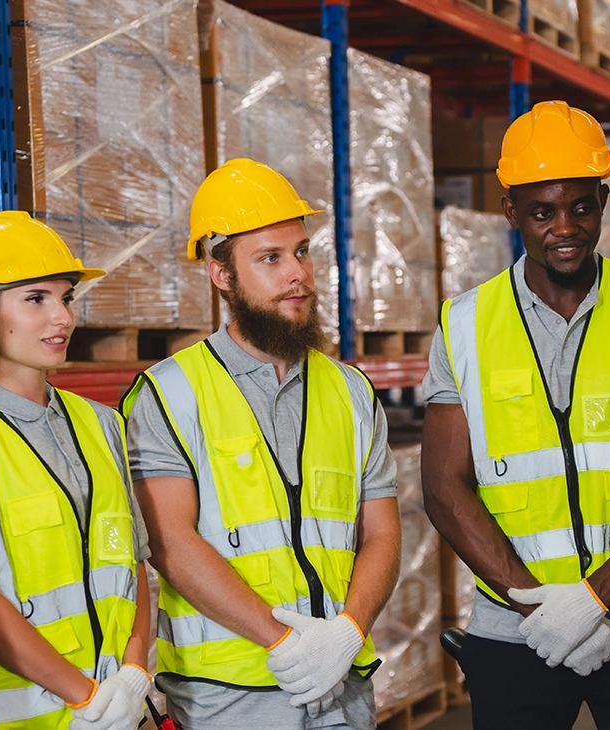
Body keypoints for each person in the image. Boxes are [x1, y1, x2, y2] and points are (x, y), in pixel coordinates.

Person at [420, 100, 610, 729]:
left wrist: (592, 598)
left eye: (581, 207)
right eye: (542, 212)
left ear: (603, 202)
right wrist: (542, 611)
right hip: (516, 628)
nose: (565, 227)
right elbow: (445, 488)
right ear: (510, 212)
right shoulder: (464, 326)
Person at [123, 158, 402, 729]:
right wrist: (285, 645)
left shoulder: (349, 391)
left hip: (343, 683)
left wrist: (346, 634)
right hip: (230, 696)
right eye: (269, 259)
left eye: (301, 251)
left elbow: (381, 530)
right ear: (221, 273)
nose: (297, 273)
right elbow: (171, 544)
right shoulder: (168, 394)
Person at [0, 211, 154, 729]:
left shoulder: (102, 425)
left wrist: (133, 676)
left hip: (121, 706)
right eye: (35, 299)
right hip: (33, 717)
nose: (63, 318)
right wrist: (85, 697)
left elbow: (133, 566)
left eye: (65, 298)